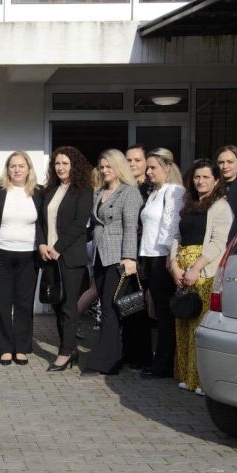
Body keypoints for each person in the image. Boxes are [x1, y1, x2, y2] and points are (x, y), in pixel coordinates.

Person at [168, 159, 231, 394]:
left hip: (204, 272)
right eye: (197, 177)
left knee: (199, 326)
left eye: (205, 177)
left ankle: (201, 380)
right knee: (183, 322)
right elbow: (176, 236)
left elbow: (217, 243)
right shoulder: (189, 204)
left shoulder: (221, 206)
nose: (200, 181)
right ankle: (186, 376)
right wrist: (174, 265)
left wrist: (196, 269)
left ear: (216, 180)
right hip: (182, 270)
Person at [84, 149, 143, 376]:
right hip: (100, 256)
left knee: (110, 309)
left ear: (119, 167)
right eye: (102, 167)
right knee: (108, 307)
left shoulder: (129, 193)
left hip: (118, 258)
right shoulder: (99, 192)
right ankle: (115, 357)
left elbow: (130, 227)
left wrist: (129, 258)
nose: (104, 170)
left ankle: (105, 361)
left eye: (109, 166)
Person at [0, 152, 42, 366]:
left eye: (21, 166)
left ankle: (22, 347)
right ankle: (5, 348)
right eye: (12, 166)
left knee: (24, 303)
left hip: (29, 255)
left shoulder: (38, 191)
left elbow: (43, 223)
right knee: (2, 302)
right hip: (1, 253)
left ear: (28, 169)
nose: (17, 170)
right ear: (7, 169)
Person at [37, 146, 93, 372]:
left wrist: (58, 247)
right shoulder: (50, 190)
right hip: (49, 256)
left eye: (65, 163)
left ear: (74, 166)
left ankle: (65, 352)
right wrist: (42, 244)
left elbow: (79, 225)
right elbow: (41, 222)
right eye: (57, 163)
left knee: (69, 307)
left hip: (69, 257)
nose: (60, 167)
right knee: (57, 306)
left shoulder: (83, 190)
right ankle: (70, 349)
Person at [138, 148, 185, 380]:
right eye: (147, 167)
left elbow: (172, 227)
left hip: (162, 258)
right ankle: (155, 358)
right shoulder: (154, 192)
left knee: (164, 313)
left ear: (167, 167)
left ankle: (164, 364)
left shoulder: (174, 191)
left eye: (153, 167)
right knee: (153, 310)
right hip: (148, 256)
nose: (148, 172)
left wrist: (170, 258)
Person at [121, 144, 154, 369]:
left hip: (145, 255)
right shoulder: (122, 187)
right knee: (128, 304)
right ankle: (128, 352)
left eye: (137, 160)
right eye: (129, 160)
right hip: (126, 254)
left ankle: (143, 355)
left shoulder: (151, 190)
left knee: (143, 307)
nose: (132, 164)